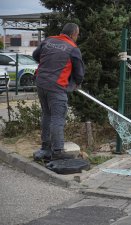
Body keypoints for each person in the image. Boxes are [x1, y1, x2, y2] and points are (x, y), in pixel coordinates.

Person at [32, 23, 85, 161]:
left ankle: (45, 148)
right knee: (57, 118)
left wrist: (49, 64)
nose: (77, 37)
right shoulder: (73, 48)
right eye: (77, 35)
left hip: (41, 82)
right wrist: (75, 84)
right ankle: (58, 151)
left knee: (47, 114)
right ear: (74, 34)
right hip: (56, 86)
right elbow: (79, 74)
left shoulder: (48, 40)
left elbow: (35, 55)